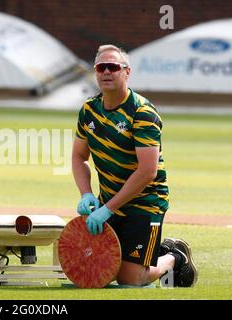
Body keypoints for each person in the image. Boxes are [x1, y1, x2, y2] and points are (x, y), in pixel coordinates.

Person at [72, 44, 197, 287]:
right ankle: (151, 253)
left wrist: (107, 208)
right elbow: (78, 157)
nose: (106, 72)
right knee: (97, 270)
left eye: (113, 67)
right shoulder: (89, 110)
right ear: (96, 72)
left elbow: (147, 171)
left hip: (146, 205)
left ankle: (174, 256)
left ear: (126, 72)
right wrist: (86, 194)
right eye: (101, 67)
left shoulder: (142, 113)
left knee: (129, 280)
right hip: (108, 203)